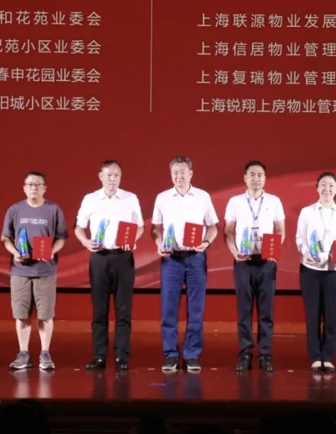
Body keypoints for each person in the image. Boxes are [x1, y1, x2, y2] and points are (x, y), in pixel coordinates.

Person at [151, 156, 219, 372]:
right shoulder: (162, 198)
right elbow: (155, 229)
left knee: (196, 309)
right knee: (168, 309)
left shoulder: (202, 197)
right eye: (175, 172)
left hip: (195, 258)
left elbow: (213, 226)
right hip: (171, 259)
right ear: (170, 174)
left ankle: (191, 354)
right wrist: (159, 244)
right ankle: (170, 354)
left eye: (182, 172)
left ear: (191, 173)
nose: (179, 176)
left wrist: (206, 243)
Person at [74, 159, 144, 371]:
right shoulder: (91, 199)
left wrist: (132, 240)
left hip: (123, 257)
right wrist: (85, 242)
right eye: (109, 175)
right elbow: (79, 227)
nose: (113, 179)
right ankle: (99, 356)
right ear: (101, 177)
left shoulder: (130, 198)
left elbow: (140, 226)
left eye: (116, 175)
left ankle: (122, 356)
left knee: (123, 309)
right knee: (99, 309)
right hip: (99, 258)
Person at [1, 171, 68, 372]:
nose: (34, 188)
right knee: (21, 315)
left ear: (44, 188)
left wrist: (51, 252)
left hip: (45, 270)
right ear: (24, 188)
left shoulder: (53, 209)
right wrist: (15, 253)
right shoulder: (15, 210)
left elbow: (61, 237)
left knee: (45, 315)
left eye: (38, 184)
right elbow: (5, 238)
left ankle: (45, 353)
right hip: (20, 270)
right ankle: (23, 353)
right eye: (30, 184)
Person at [223, 160, 285, 372]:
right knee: (244, 310)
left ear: (265, 179)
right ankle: (245, 353)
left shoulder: (274, 201)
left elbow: (280, 230)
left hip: (267, 262)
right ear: (245, 178)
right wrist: (234, 252)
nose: (256, 179)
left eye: (259, 175)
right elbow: (228, 231)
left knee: (266, 311)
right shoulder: (235, 201)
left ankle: (265, 354)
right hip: (243, 261)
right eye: (252, 175)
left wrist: (274, 250)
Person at [294, 172, 336, 373]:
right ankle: (315, 356)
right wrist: (305, 252)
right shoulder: (306, 212)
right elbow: (300, 238)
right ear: (317, 188)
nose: (327, 189)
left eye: (331, 185)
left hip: (335, 270)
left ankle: (327, 357)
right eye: (323, 185)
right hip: (310, 269)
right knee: (312, 314)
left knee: (331, 314)